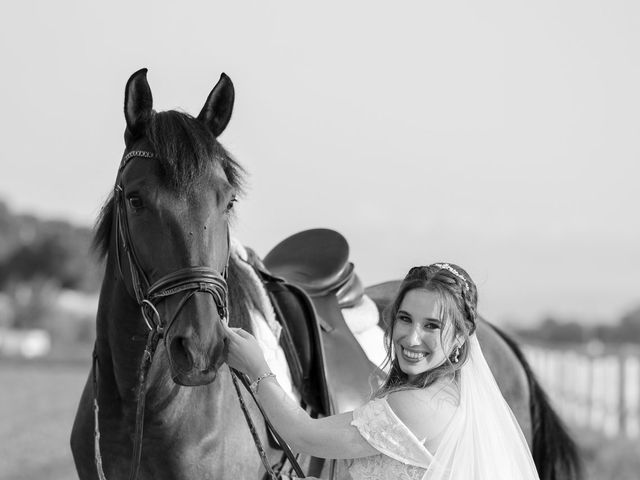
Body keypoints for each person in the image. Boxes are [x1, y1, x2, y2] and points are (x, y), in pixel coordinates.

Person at [224, 263, 540, 479]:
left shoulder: (415, 406)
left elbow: (304, 435)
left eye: (431, 325)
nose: (412, 338)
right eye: (405, 319)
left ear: (460, 338)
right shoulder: (450, 397)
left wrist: (257, 368)